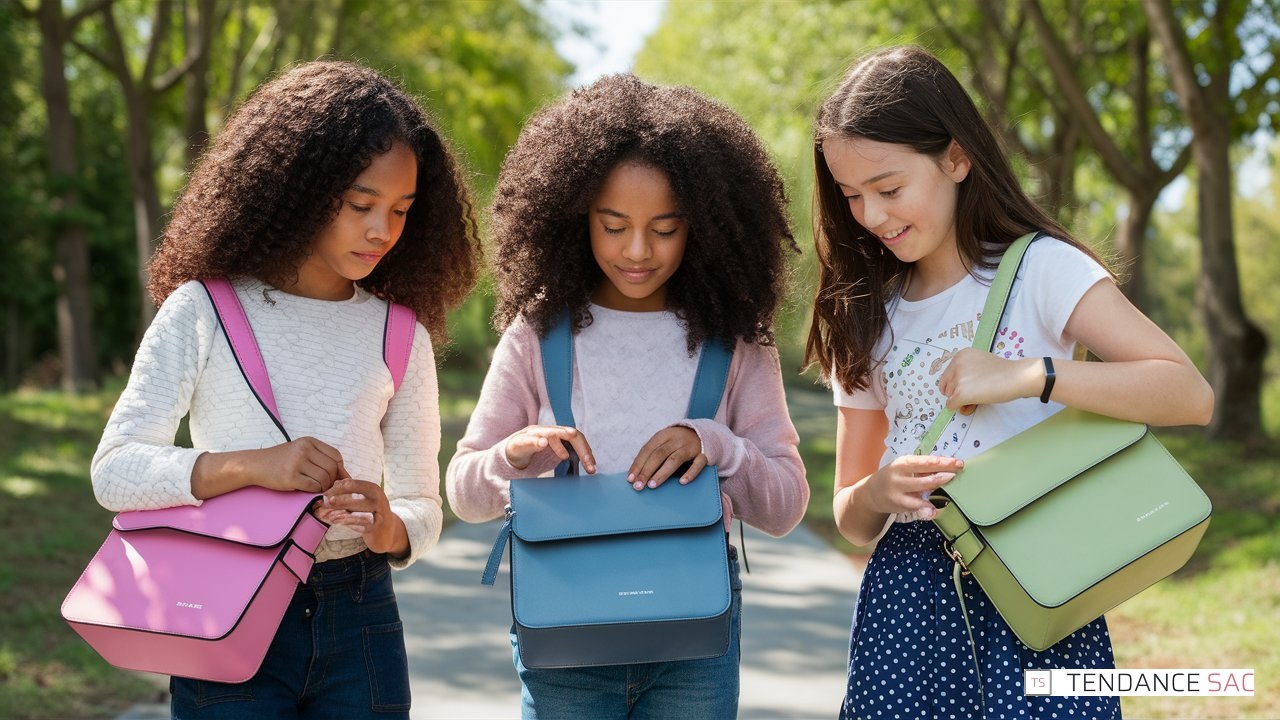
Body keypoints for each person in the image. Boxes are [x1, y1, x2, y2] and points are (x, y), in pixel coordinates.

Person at [804, 46, 1213, 720]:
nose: (871, 216)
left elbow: (1186, 394)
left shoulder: (1042, 271)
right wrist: (878, 489)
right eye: (851, 197)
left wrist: (1030, 376)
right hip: (910, 598)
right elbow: (851, 517)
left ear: (956, 159)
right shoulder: (864, 314)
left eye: (888, 188)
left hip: (1043, 573)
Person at [91, 60, 480, 719]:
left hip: (360, 618)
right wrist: (253, 468)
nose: (382, 230)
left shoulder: (399, 334)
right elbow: (115, 471)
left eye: (401, 210)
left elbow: (422, 505)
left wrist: (388, 524)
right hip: (227, 605)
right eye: (361, 205)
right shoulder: (201, 310)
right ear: (298, 189)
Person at [446, 73, 810, 719]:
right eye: (613, 226)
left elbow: (784, 508)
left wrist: (715, 443)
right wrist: (513, 454)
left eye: (665, 229)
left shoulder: (736, 344)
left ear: (706, 226)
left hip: (694, 643)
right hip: (564, 639)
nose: (637, 251)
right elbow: (464, 491)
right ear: (573, 216)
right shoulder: (536, 335)